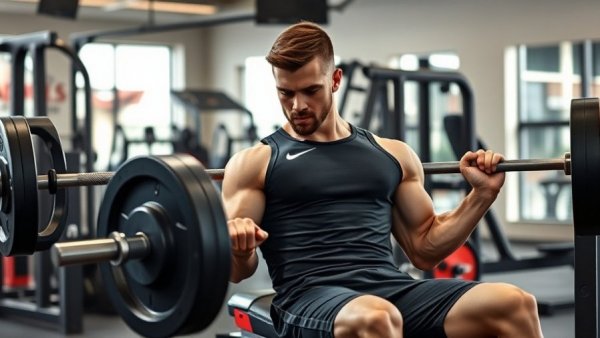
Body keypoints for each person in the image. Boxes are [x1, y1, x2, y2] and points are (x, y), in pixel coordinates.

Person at [222, 21, 543, 338]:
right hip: (308, 298)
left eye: (310, 91)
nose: (298, 105)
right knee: (377, 317)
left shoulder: (391, 154)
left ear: (335, 80)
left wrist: (481, 196)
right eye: (285, 93)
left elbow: (425, 249)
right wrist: (239, 248)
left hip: (389, 290)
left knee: (514, 303)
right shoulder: (256, 163)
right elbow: (239, 271)